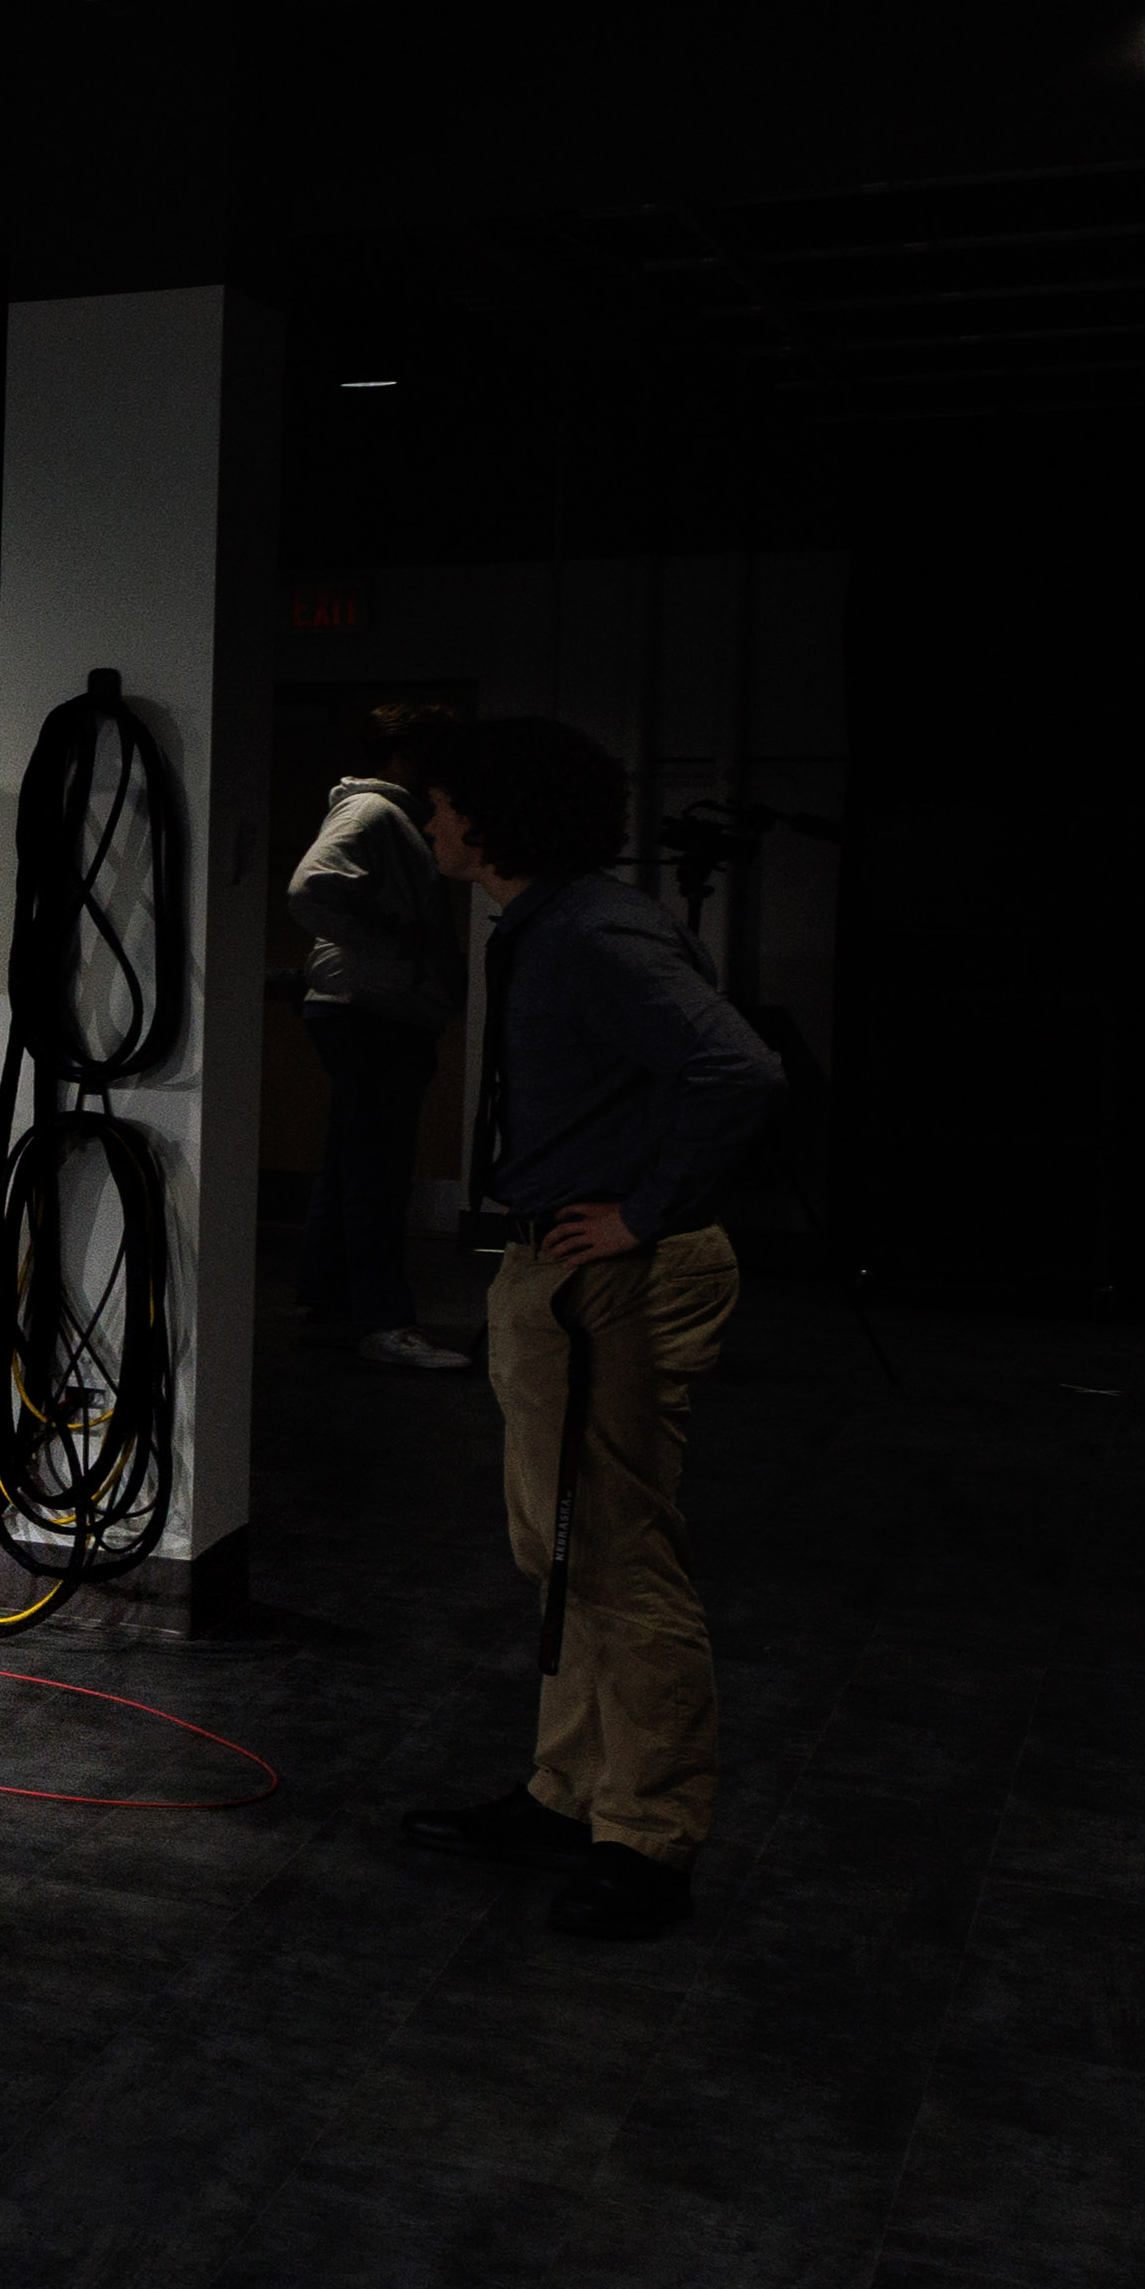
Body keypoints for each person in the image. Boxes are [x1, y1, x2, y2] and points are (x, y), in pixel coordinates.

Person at [391, 715, 782, 1947]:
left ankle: (647, 1837)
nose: (430, 821)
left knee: (614, 1556)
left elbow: (739, 1069)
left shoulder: (593, 931)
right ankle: (571, 1792)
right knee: (563, 1547)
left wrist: (645, 1211)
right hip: (560, 1262)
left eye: (441, 801)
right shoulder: (549, 924)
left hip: (609, 1269)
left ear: (490, 816)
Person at [294, 700, 473, 1368]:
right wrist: (391, 956)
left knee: (353, 1159)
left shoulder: (386, 814)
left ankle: (331, 1301)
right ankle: (382, 1320)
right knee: (376, 1169)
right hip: (371, 1011)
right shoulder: (372, 811)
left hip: (368, 1009)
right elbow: (312, 888)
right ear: (405, 754)